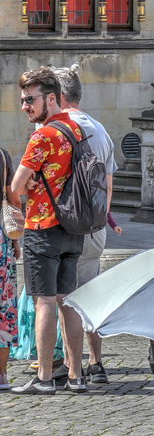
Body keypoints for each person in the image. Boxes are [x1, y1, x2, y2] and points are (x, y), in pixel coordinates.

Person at [10, 67, 90, 395]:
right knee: (67, 302)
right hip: (73, 226)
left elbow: (14, 188)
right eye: (22, 100)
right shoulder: (74, 129)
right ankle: (75, 375)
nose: (25, 106)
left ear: (52, 98)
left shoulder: (41, 136)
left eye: (31, 99)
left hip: (43, 226)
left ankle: (43, 378)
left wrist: (26, 185)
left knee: (43, 302)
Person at [55, 66, 116, 384]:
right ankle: (96, 362)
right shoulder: (100, 129)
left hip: (64, 227)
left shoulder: (57, 128)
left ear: (58, 96)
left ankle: (71, 364)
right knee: (90, 293)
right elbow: (107, 183)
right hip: (95, 226)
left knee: (65, 298)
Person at [0, 145, 21, 389]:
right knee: (4, 309)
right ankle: (2, 375)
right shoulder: (3, 156)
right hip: (2, 241)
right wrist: (15, 239)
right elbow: (12, 198)